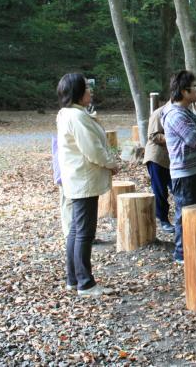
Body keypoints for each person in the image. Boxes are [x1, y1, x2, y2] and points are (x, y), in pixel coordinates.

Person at [56, 73, 120, 296]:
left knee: (76, 229)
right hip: (83, 179)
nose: (90, 92)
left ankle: (73, 278)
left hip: (77, 178)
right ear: (77, 92)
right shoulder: (77, 117)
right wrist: (111, 164)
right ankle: (85, 282)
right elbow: (92, 150)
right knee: (84, 232)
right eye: (86, 88)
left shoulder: (68, 114)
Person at [161, 70, 196, 263]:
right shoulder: (176, 115)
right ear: (184, 91)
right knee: (185, 214)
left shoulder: (186, 112)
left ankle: (194, 247)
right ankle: (182, 254)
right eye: (194, 87)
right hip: (185, 174)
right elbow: (195, 140)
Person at [144, 101, 175, 234]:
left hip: (173, 159)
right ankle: (163, 220)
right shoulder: (159, 113)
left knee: (177, 189)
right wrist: (174, 137)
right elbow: (153, 136)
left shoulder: (184, 112)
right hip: (157, 158)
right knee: (160, 191)